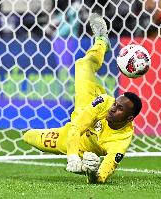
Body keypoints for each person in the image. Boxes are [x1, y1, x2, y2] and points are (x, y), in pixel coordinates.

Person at [23, 13, 143, 184]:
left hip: (79, 148)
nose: (113, 108)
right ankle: (102, 41)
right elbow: (76, 127)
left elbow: (102, 175)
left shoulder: (121, 142)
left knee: (29, 136)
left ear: (130, 118)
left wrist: (92, 173)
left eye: (120, 109)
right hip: (78, 123)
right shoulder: (105, 102)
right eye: (116, 104)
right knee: (83, 64)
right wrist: (71, 157)